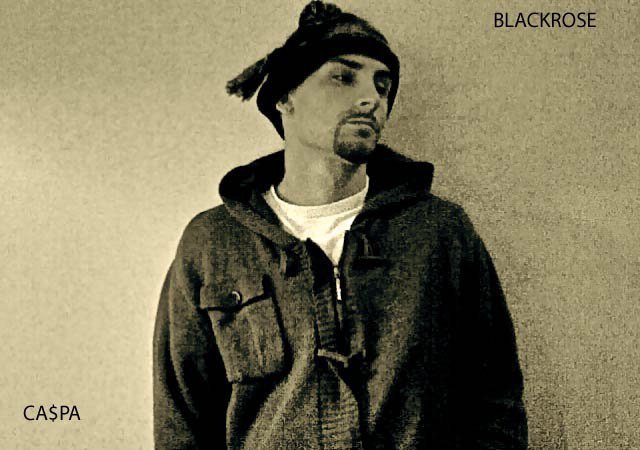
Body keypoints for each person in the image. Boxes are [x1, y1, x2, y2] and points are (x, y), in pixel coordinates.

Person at [153, 1, 528, 448]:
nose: (372, 99)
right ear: (284, 97)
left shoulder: (439, 232)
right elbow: (181, 422)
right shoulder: (213, 243)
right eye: (343, 77)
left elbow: (495, 403)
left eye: (382, 85)